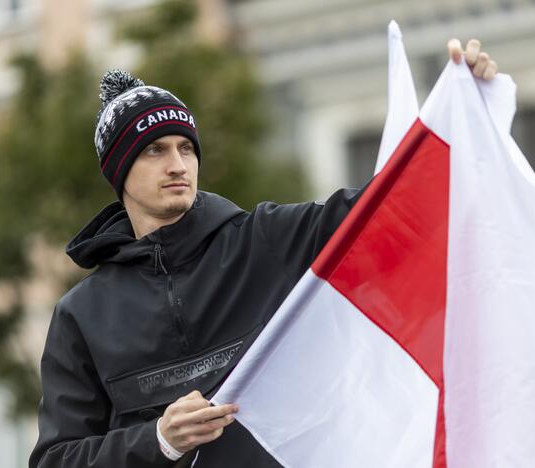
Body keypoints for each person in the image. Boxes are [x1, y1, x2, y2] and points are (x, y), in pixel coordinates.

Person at [29, 39, 498, 468]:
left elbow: (383, 212)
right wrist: (158, 440)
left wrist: (465, 115)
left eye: (186, 149)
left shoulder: (266, 240)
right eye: (154, 150)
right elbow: (56, 460)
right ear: (119, 169)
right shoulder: (82, 316)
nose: (177, 165)